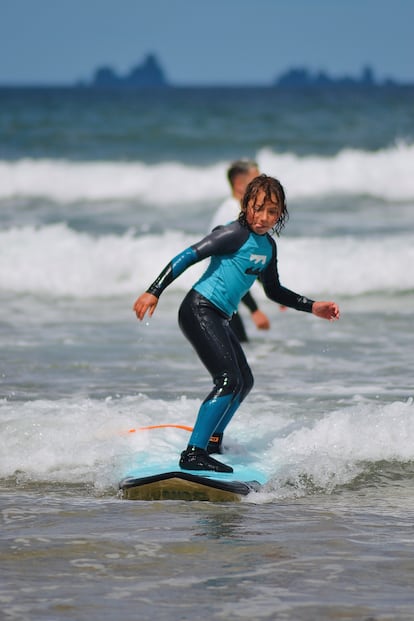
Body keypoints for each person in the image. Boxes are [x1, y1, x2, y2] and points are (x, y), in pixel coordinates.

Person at [133, 175, 340, 473]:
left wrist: (313, 306)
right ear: (246, 206)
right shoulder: (233, 233)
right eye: (258, 209)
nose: (264, 217)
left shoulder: (268, 247)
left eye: (272, 211)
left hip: (219, 316)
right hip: (199, 309)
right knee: (228, 380)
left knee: (244, 381)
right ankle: (193, 453)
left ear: (280, 213)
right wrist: (154, 290)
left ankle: (213, 439)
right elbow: (190, 254)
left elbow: (274, 291)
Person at [210, 159, 270, 342]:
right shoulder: (232, 216)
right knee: (238, 355)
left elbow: (248, 262)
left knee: (239, 354)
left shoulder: (240, 212)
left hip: (224, 297)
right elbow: (232, 270)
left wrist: (271, 289)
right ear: (238, 184)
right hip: (217, 297)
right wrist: (255, 310)